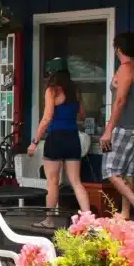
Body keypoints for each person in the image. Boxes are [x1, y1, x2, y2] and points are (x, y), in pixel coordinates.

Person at [28, 59, 90, 226]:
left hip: (55, 137)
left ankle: (49, 220)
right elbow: (82, 115)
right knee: (76, 181)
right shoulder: (75, 90)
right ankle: (88, 219)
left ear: (52, 74)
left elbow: (47, 117)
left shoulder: (52, 91)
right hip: (72, 137)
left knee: (53, 182)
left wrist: (35, 142)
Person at [100, 32, 134, 220]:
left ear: (118, 49)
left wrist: (108, 131)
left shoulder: (126, 69)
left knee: (111, 170)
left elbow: (120, 100)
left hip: (124, 127)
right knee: (129, 172)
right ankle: (125, 212)